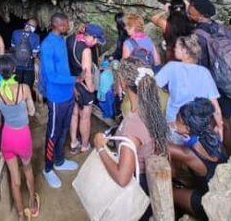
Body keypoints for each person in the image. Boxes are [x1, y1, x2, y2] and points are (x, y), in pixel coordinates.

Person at [92, 58, 169, 219]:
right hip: (149, 182)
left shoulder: (133, 126)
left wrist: (100, 148)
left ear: (124, 82)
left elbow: (122, 178)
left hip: (138, 187)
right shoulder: (152, 107)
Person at [188, 0, 231, 154]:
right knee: (225, 122)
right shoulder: (224, 29)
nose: (188, 11)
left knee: (209, 121)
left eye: (191, 9)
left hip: (209, 83)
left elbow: (198, 64)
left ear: (200, 14)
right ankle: (229, 156)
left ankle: (213, 156)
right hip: (226, 81)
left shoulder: (197, 35)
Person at [0, 55, 40, 220]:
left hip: (7, 138)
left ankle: (21, 215)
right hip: (23, 136)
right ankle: (32, 203)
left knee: (14, 179)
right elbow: (32, 111)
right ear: (14, 70)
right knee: (27, 169)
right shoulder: (24, 89)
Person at [168, 98, 227, 221]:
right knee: (183, 179)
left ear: (187, 128)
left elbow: (160, 145)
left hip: (208, 205)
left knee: (170, 192)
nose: (174, 122)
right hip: (221, 191)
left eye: (177, 119)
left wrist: (170, 127)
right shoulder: (209, 132)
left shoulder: (188, 154)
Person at [39, 12, 79, 188]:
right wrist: (75, 80)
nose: (68, 26)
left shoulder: (61, 40)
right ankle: (48, 169)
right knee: (53, 133)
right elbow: (51, 76)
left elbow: (64, 68)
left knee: (63, 130)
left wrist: (73, 87)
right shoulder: (47, 45)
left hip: (68, 94)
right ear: (59, 25)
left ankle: (59, 161)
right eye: (66, 24)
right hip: (56, 97)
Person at [155, 35, 223, 138]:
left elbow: (152, 86)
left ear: (185, 51)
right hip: (198, 125)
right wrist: (220, 126)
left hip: (175, 123)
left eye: (176, 47)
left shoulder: (172, 67)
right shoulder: (204, 72)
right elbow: (215, 107)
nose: (174, 49)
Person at [67, 23, 105, 154]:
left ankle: (73, 143)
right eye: (97, 40)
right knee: (85, 117)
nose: (97, 43)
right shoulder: (86, 50)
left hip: (71, 82)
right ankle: (84, 145)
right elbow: (87, 72)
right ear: (90, 36)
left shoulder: (71, 39)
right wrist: (91, 88)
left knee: (74, 114)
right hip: (83, 86)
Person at [10, 19, 41, 90]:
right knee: (27, 89)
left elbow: (13, 47)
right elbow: (35, 54)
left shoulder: (15, 33)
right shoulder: (36, 37)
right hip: (29, 67)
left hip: (16, 66)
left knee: (16, 89)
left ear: (26, 24)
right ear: (34, 28)